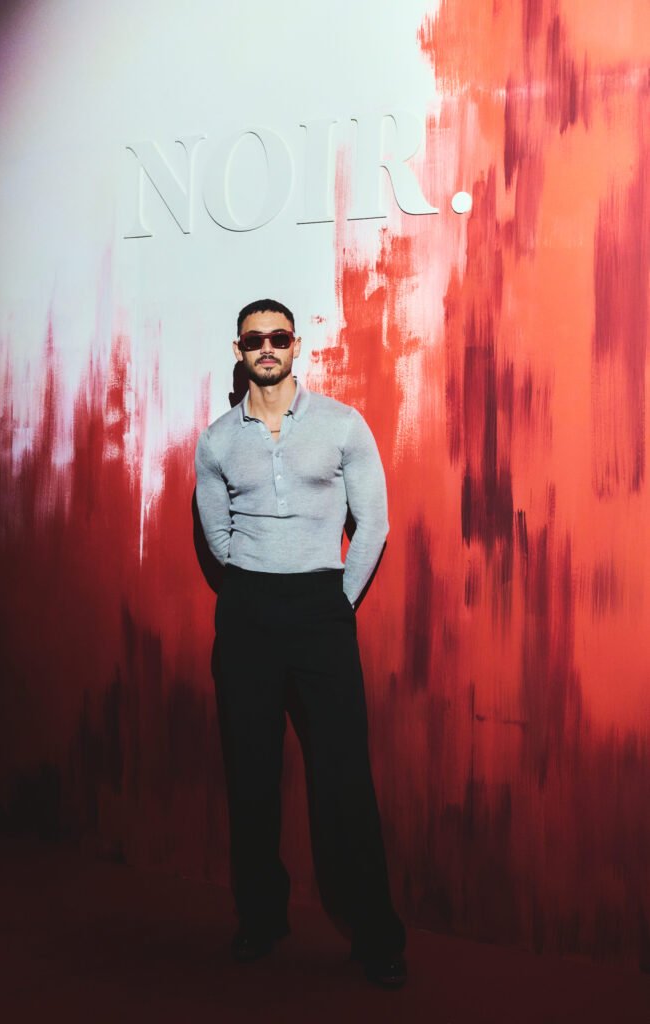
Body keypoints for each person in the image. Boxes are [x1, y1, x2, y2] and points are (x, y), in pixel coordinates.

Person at [194, 298, 407, 988]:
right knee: (251, 773)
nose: (267, 347)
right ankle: (261, 918)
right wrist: (253, 586)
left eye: (278, 337)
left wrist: (335, 600)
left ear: (294, 347)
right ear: (238, 350)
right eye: (254, 338)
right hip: (248, 613)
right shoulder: (216, 440)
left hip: (321, 610)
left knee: (344, 777)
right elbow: (217, 534)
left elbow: (372, 524)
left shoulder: (342, 424)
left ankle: (375, 934)